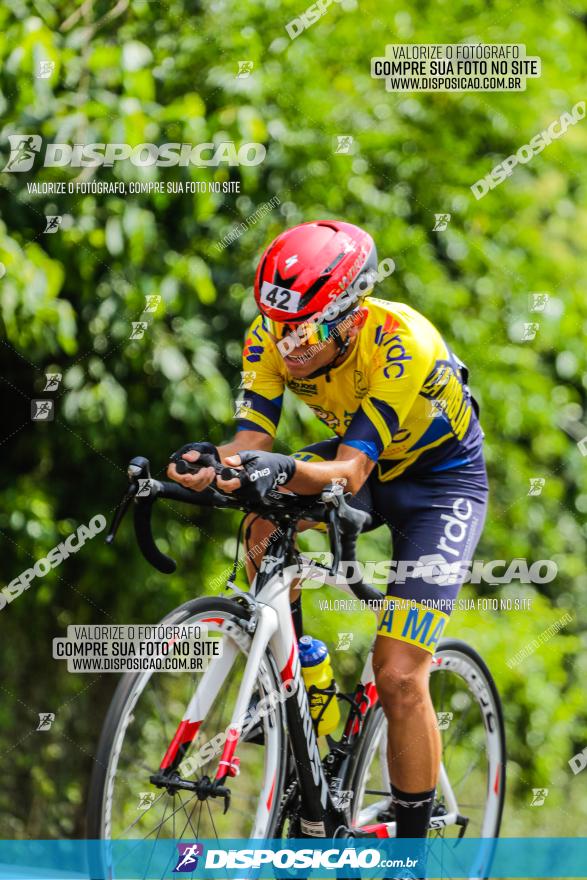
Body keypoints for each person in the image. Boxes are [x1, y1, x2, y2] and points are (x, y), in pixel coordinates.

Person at [168, 219, 489, 846]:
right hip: (356, 455)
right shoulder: (272, 332)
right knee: (261, 512)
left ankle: (412, 852)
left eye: (306, 328)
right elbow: (251, 442)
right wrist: (213, 465)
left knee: (398, 673)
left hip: (437, 484)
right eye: (278, 325)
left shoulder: (401, 340)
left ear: (349, 310)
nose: (287, 344)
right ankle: (294, 682)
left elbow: (349, 470)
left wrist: (276, 468)